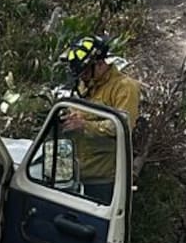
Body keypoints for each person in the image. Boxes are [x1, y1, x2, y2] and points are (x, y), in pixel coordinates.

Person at [58, 35, 141, 204]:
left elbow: (122, 127)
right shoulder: (85, 84)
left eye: (86, 72)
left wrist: (85, 126)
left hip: (101, 178)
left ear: (100, 63)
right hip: (74, 171)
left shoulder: (124, 87)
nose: (83, 77)